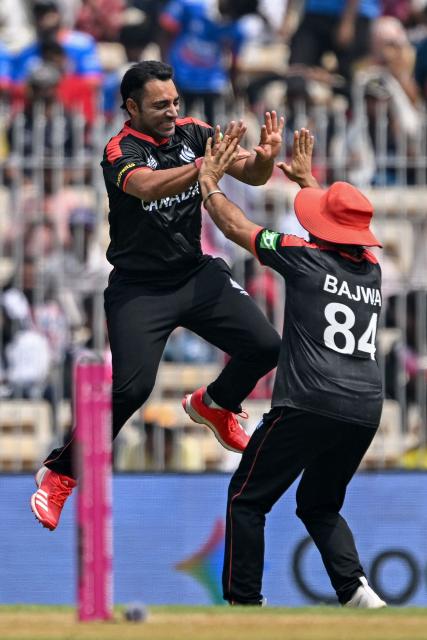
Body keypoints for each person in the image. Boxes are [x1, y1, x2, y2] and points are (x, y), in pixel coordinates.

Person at [30, 60, 283, 531]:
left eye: (174, 102)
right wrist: (203, 169)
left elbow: (251, 173)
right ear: (131, 107)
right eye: (159, 105)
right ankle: (59, 474)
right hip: (139, 288)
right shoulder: (119, 149)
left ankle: (216, 404)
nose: (171, 111)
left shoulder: (194, 132)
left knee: (267, 345)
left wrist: (265, 156)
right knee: (131, 389)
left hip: (194, 273)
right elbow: (145, 189)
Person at [196, 129, 386, 608]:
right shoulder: (370, 268)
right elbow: (337, 233)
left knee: (246, 497)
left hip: (308, 402)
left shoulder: (302, 259)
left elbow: (239, 229)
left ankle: (244, 604)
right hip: (364, 407)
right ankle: (357, 591)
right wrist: (307, 183)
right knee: (319, 505)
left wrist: (211, 185)